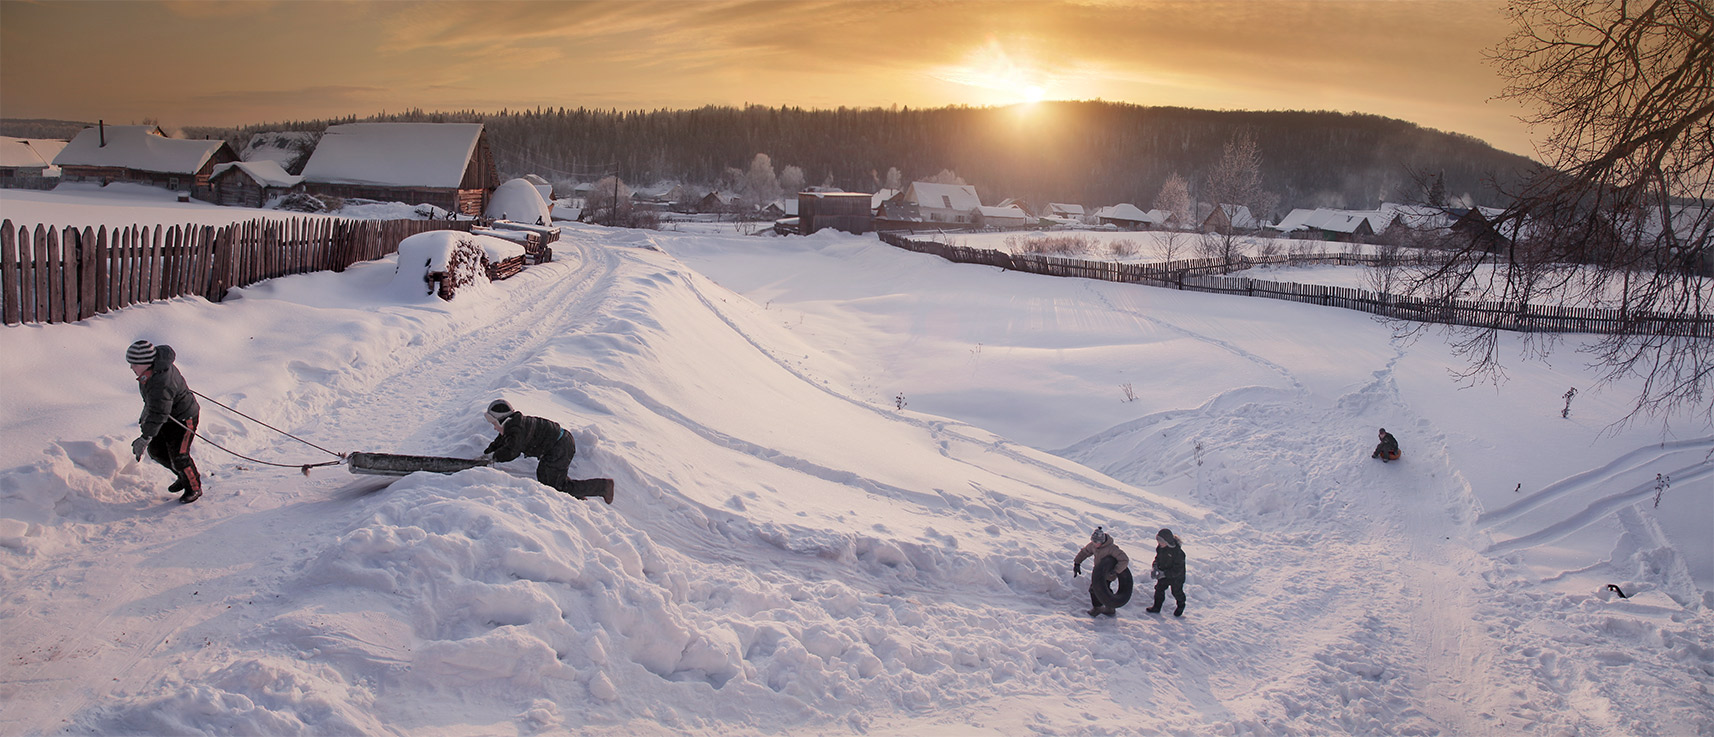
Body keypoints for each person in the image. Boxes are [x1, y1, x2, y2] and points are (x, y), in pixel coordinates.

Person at [483, 400, 614, 504]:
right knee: (547, 477)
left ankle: (603, 487)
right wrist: (487, 453)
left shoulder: (516, 430)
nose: (494, 427)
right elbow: (501, 442)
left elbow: (512, 451)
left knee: (554, 485)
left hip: (560, 446)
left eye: (494, 423)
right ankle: (576, 496)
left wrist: (493, 457)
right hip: (558, 444)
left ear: (503, 420)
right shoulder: (513, 425)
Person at [127, 340, 203, 504]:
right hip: (168, 417)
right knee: (157, 451)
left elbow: (158, 410)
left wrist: (145, 437)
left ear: (145, 363)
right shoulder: (152, 371)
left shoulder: (160, 381)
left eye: (134, 363)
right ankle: (183, 476)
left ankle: (194, 486)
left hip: (184, 418)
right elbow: (154, 405)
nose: (131, 367)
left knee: (179, 456)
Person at [1072, 526, 1131, 617]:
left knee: (1097, 589)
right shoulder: (1093, 546)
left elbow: (1124, 560)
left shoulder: (1112, 549)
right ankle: (1108, 607)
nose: (1094, 544)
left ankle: (1099, 608)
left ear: (1102, 541)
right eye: (1093, 541)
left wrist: (1116, 571)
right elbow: (1085, 552)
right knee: (1103, 590)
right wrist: (1077, 563)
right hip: (1099, 573)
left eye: (1096, 542)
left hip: (1109, 573)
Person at [1145, 528, 1187, 616]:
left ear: (1167, 541)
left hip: (1176, 577)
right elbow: (1157, 558)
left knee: (1176, 592)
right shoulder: (1160, 548)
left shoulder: (1178, 553)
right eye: (1158, 541)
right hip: (1163, 574)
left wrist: (1164, 574)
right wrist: (1155, 567)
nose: (1159, 543)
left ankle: (1181, 605)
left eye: (1161, 541)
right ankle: (1156, 607)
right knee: (1159, 589)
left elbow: (1178, 570)